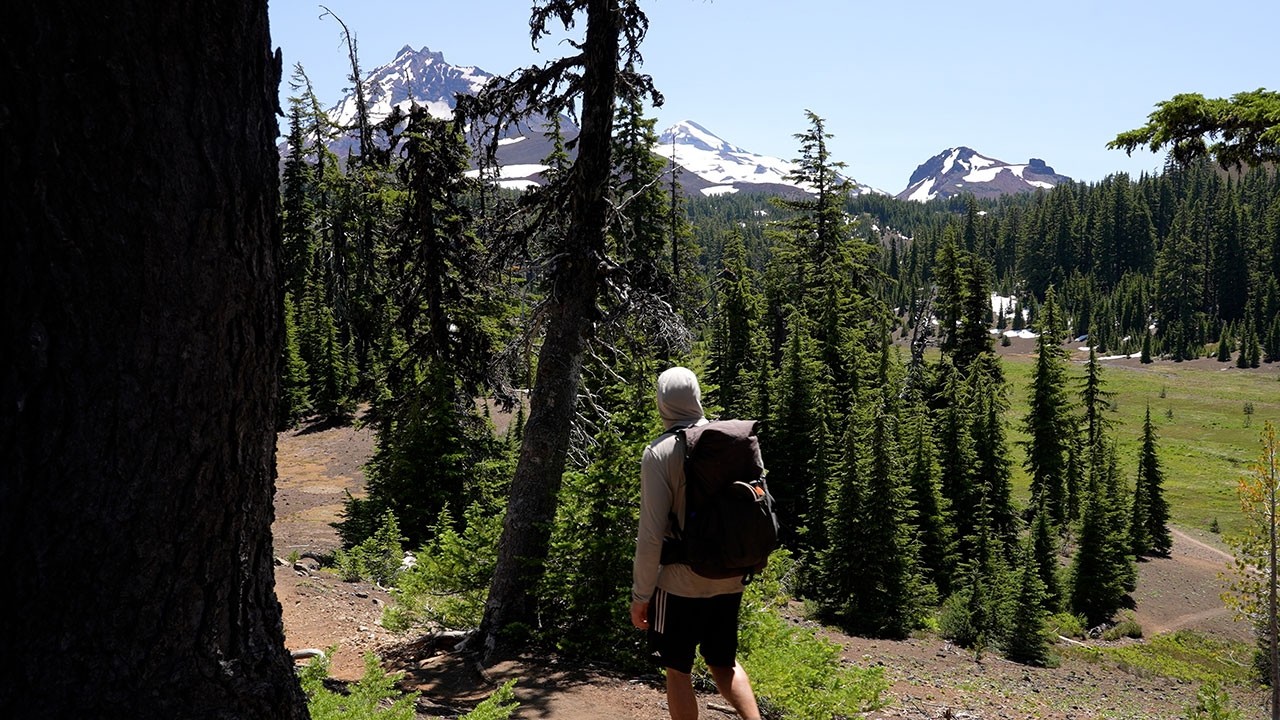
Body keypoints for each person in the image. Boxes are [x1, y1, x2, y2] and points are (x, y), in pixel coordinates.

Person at [630, 366, 762, 720]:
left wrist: (641, 596)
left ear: (662, 403)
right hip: (730, 575)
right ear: (697, 397)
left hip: (680, 584)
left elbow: (651, 534)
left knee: (678, 669)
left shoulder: (658, 453)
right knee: (724, 662)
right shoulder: (733, 443)